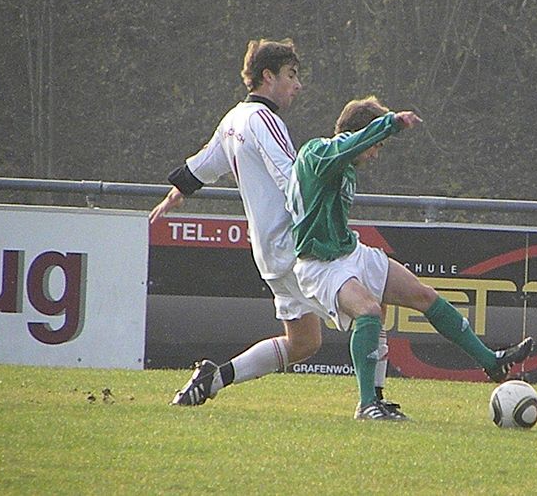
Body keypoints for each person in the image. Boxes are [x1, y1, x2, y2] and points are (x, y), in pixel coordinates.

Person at [149, 39, 401, 414]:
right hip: (295, 246)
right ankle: (374, 403)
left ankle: (212, 378)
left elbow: (204, 164)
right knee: (370, 301)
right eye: (291, 75)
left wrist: (177, 193)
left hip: (266, 252)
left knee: (303, 343)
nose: (297, 85)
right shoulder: (265, 120)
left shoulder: (233, 119)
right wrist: (323, 207)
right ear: (268, 77)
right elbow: (292, 177)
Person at [286, 96, 534, 421]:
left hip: (348, 251)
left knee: (423, 295)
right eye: (377, 145)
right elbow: (345, 149)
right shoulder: (318, 151)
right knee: (368, 311)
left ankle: (491, 361)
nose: (376, 154)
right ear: (362, 133)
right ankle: (366, 406)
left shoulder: (343, 164)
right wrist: (392, 124)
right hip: (320, 263)